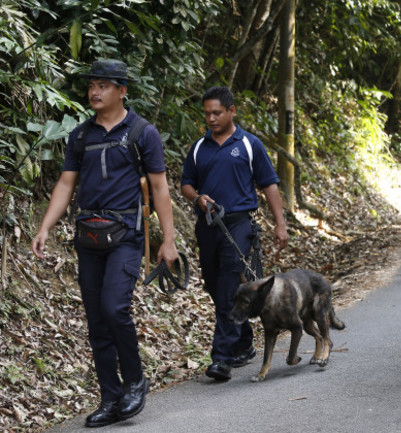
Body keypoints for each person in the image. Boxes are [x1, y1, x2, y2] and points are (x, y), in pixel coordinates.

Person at [31, 59, 179, 427]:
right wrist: (45, 227)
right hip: (88, 236)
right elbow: (66, 184)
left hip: (126, 236)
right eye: (92, 85)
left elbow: (160, 187)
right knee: (97, 321)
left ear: (122, 90)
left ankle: (135, 381)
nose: (94, 91)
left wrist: (169, 240)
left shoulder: (143, 132)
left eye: (104, 85)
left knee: (115, 309)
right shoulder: (81, 135)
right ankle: (110, 397)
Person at [181, 86, 289, 382]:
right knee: (216, 288)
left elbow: (269, 185)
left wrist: (280, 223)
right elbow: (186, 184)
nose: (211, 118)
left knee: (230, 286)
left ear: (232, 111)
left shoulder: (250, 144)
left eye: (217, 112)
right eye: (207, 114)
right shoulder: (200, 147)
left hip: (240, 225)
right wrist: (198, 198)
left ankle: (221, 358)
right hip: (208, 225)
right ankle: (243, 343)